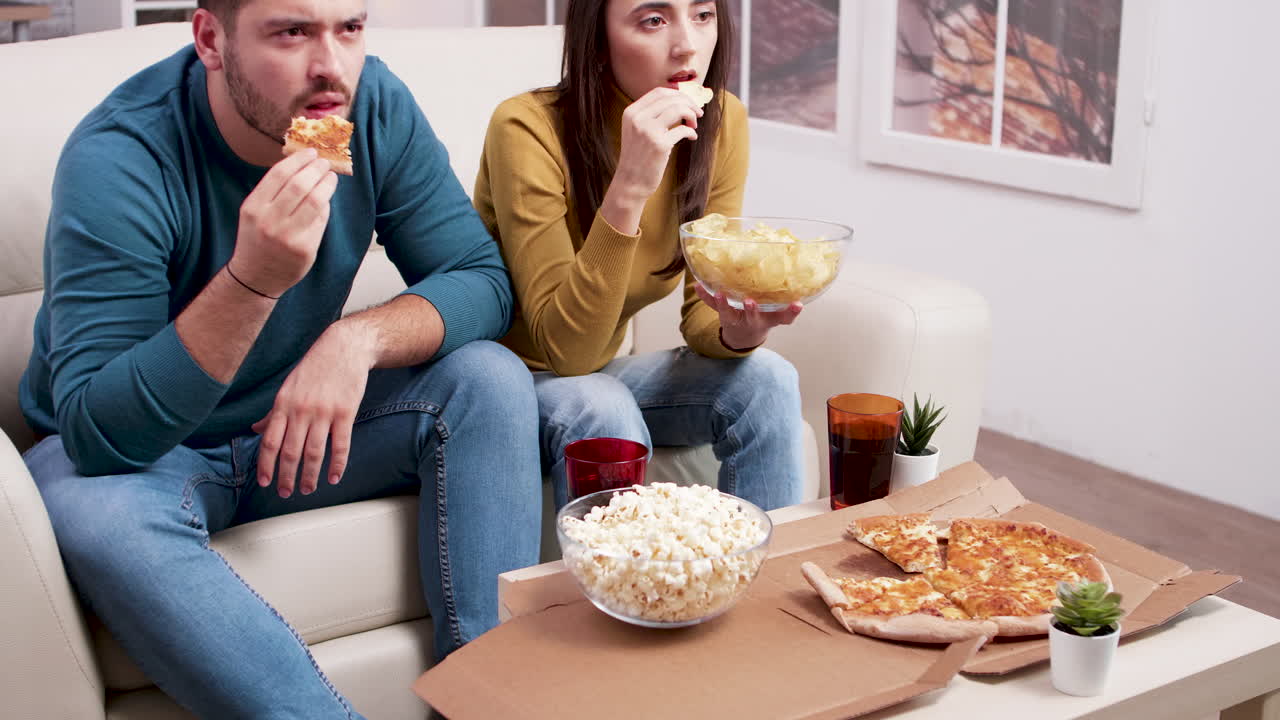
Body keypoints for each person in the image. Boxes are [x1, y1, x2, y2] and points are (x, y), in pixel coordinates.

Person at [19, 0, 541, 716]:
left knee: (488, 379)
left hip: (292, 430)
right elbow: (98, 433)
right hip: (144, 458)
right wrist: (253, 280)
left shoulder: (370, 106)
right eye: (292, 32)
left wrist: (354, 341)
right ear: (211, 39)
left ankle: (490, 706)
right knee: (85, 505)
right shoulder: (121, 156)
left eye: (349, 29)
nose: (330, 67)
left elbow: (479, 278)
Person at [474, 0, 807, 513]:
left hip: (601, 373)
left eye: (702, 15)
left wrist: (739, 330)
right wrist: (630, 183)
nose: (687, 45)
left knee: (768, 379)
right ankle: (623, 591)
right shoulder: (526, 127)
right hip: (505, 385)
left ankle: (765, 583)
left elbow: (702, 314)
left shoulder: (722, 120)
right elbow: (569, 354)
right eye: (653, 20)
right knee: (600, 403)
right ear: (598, 39)